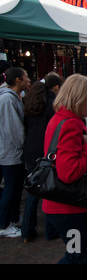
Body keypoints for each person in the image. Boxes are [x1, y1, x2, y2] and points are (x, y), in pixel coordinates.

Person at [43, 73, 87, 264]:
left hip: (65, 207)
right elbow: (69, 173)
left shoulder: (60, 118)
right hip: (69, 208)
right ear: (77, 98)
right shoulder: (70, 124)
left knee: (80, 255)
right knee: (81, 257)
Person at [21, 74, 62, 243]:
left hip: (30, 151)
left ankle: (27, 229)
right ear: (56, 87)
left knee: (34, 190)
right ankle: (50, 230)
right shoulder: (51, 105)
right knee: (48, 190)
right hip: (45, 152)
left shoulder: (31, 104)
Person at [0, 67, 31, 238]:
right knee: (10, 188)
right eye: (26, 77)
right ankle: (4, 224)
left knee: (12, 188)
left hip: (9, 151)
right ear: (18, 80)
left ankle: (11, 218)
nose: (28, 80)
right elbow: (14, 129)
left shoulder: (12, 98)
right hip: (10, 153)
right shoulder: (7, 100)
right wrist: (22, 147)